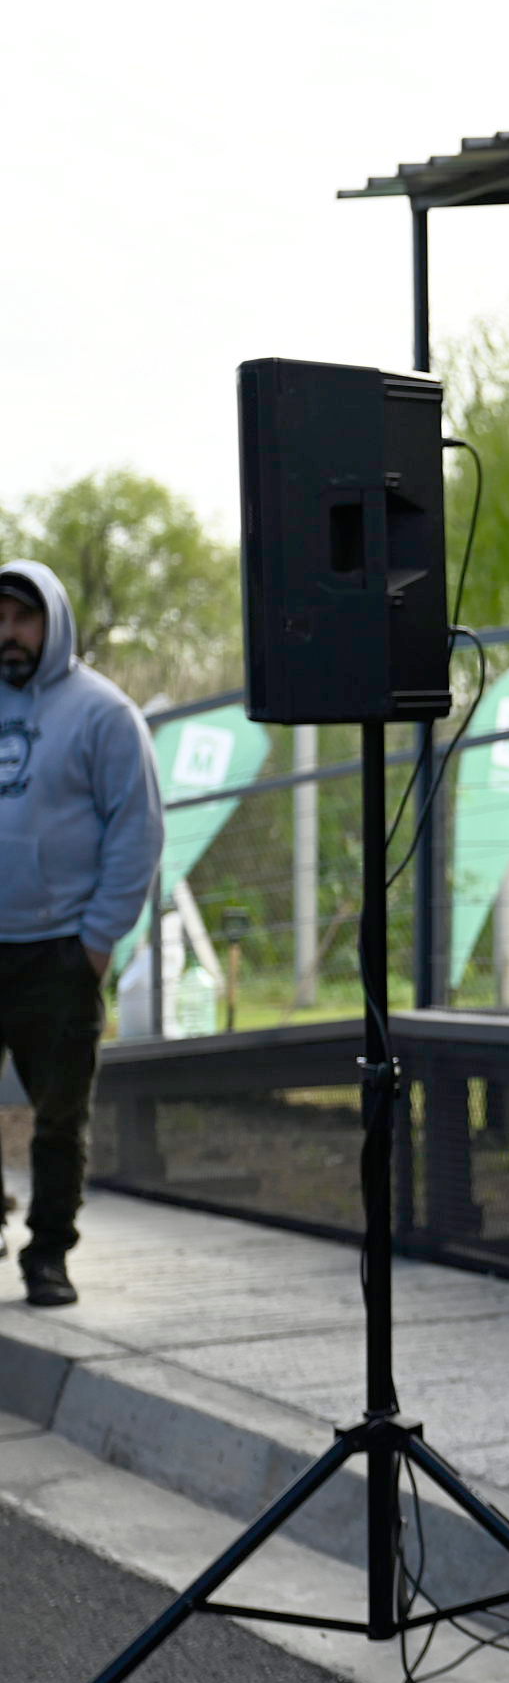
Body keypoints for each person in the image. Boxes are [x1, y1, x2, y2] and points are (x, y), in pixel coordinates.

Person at [0, 560, 163, 1310]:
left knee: (59, 1117)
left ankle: (48, 1254)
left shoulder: (104, 714)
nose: (9, 635)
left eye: (24, 619)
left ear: (54, 622)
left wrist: (95, 942)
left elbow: (137, 832)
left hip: (60, 950)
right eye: (0, 619)